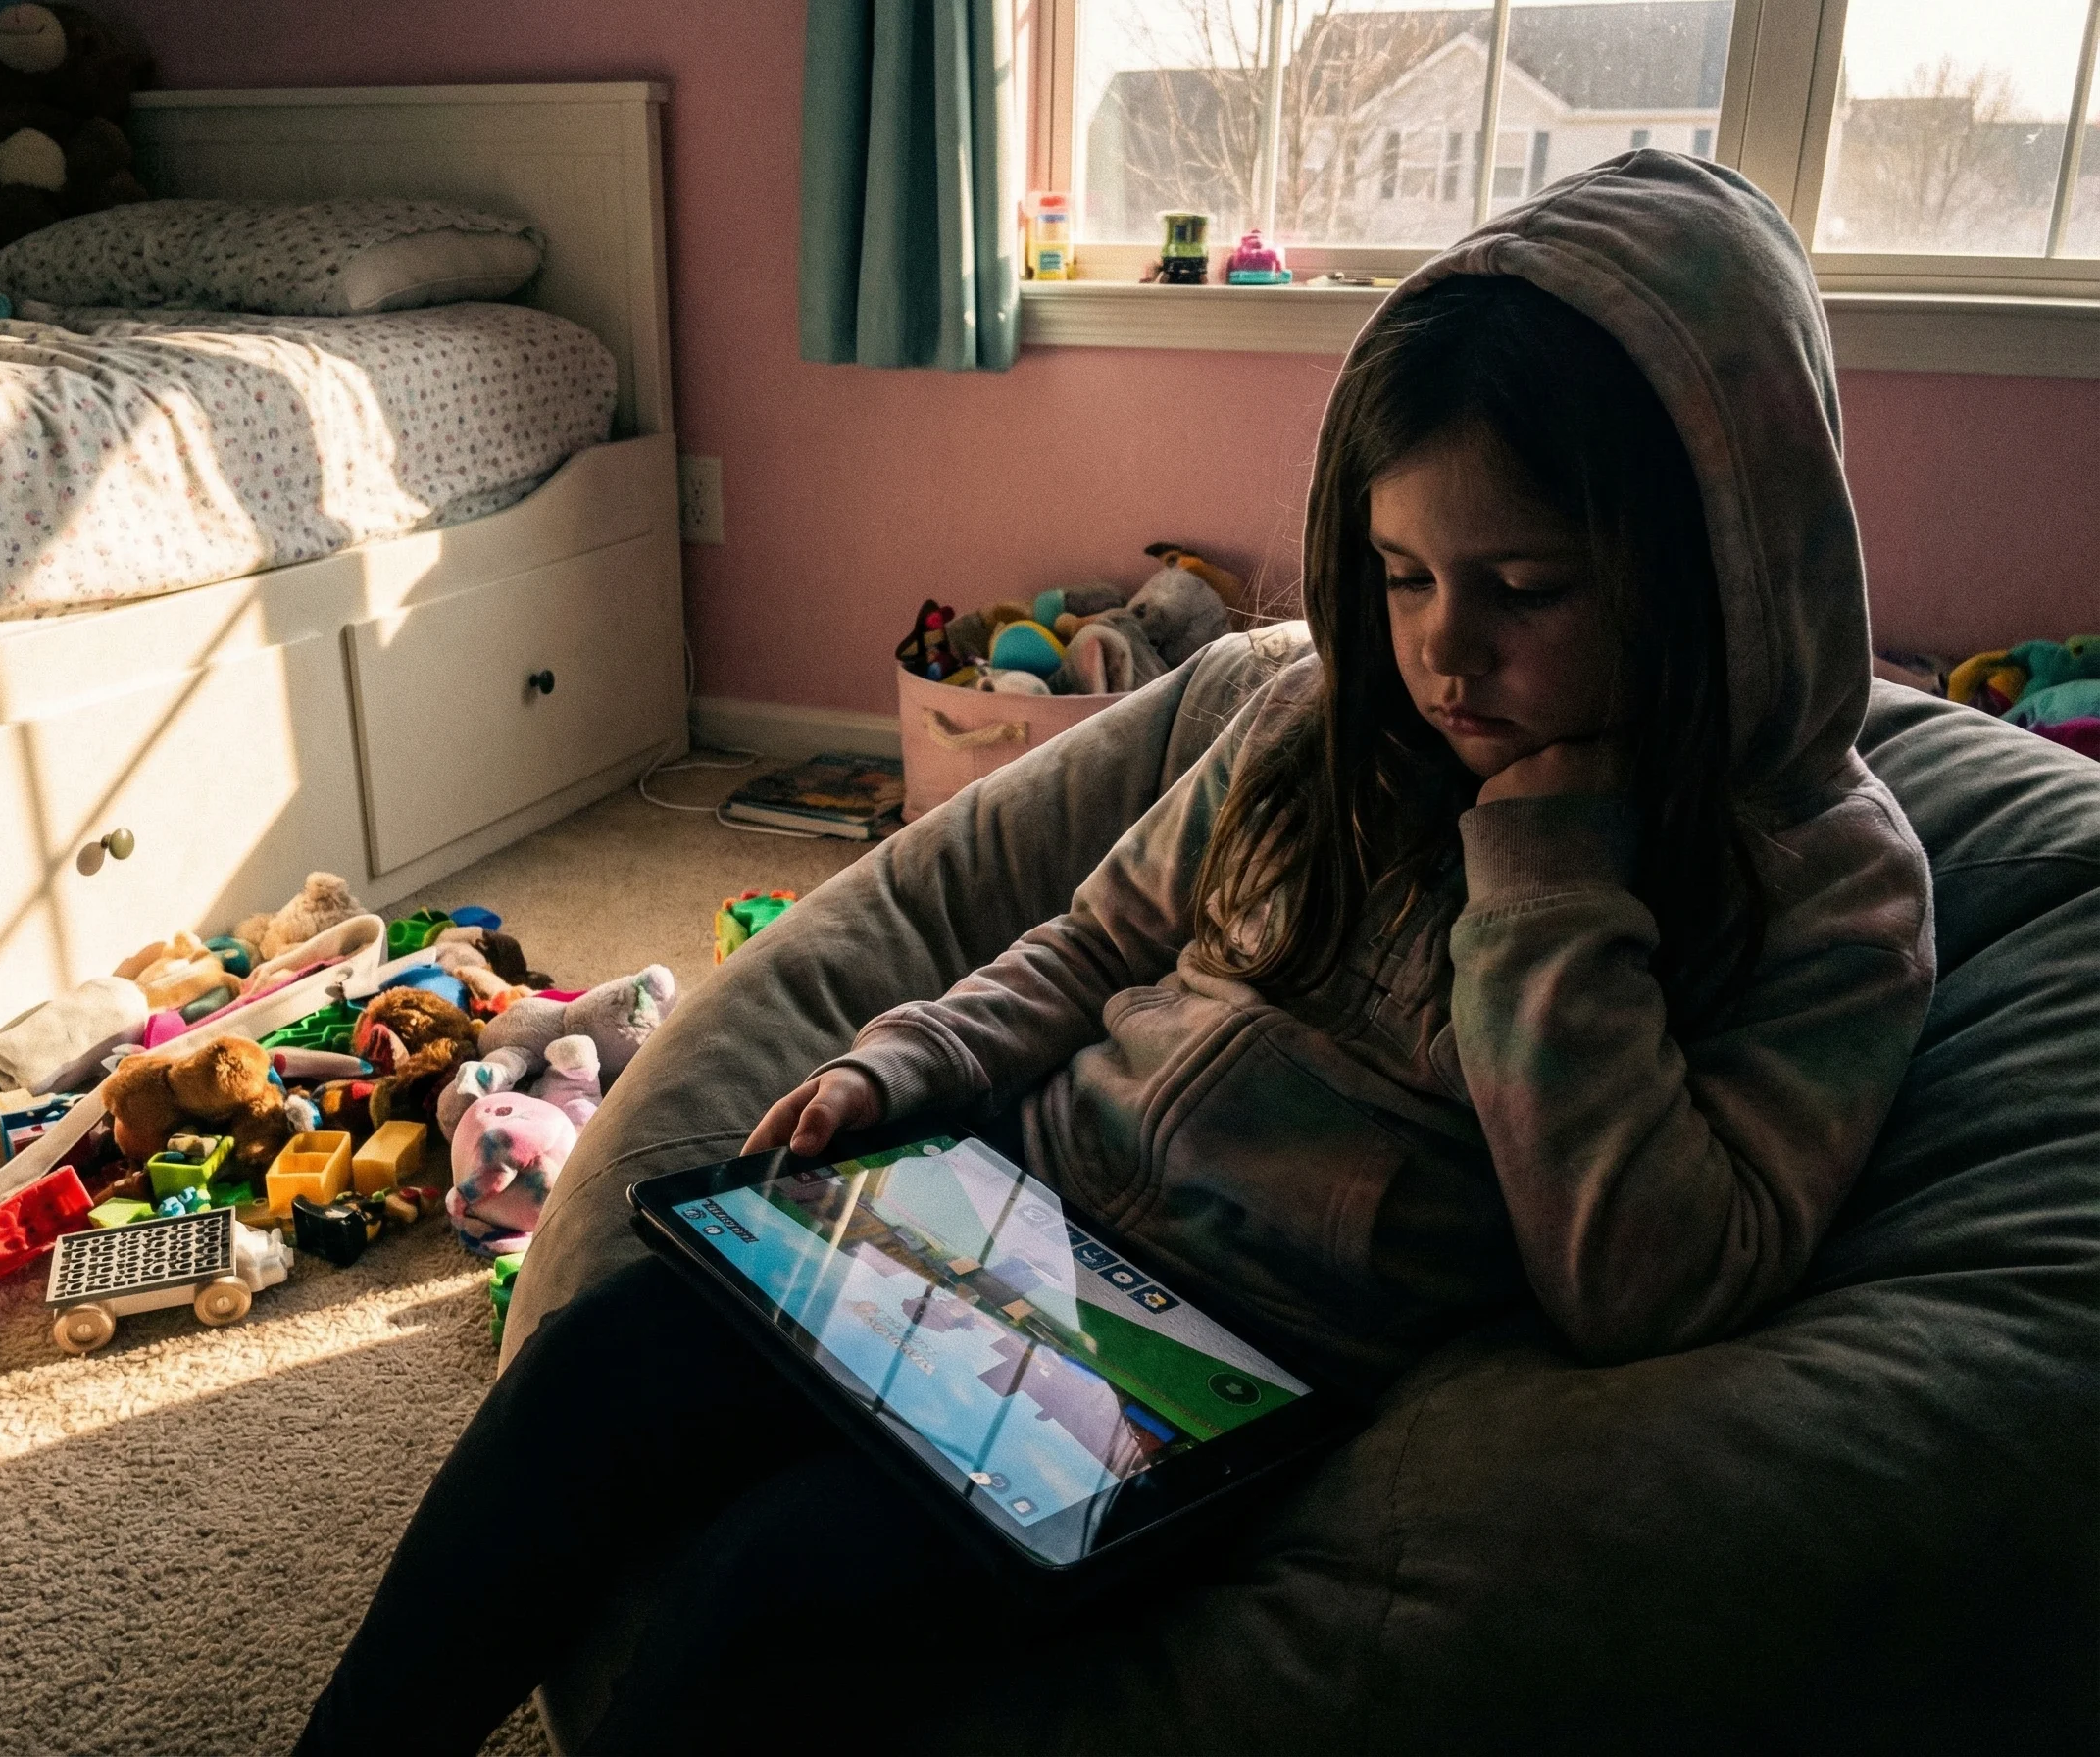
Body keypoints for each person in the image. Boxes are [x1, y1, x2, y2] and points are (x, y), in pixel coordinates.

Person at [295, 152, 1934, 1755]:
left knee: (780, 1585)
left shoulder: (1824, 884)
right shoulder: (1320, 715)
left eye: (1527, 589)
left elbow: (1651, 1278)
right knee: (604, 1367)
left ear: (1709, 572)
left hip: (1211, 1386)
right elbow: (1094, 938)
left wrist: (1552, 885)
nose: (1445, 648)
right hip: (999, 1219)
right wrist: (911, 1060)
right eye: (1404, 575)